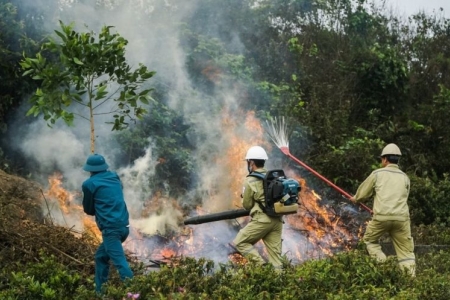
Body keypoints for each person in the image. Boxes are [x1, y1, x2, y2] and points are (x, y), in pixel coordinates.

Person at [350, 143, 416, 276]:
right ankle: (410, 281)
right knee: (406, 253)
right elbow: (403, 198)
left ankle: (384, 266)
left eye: (382, 159)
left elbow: (362, 195)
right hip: (401, 220)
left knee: (369, 241)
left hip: (381, 218)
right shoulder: (405, 178)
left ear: (385, 159)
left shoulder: (377, 174)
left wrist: (355, 199)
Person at [81, 153, 133, 293]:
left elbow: (89, 210)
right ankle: (100, 292)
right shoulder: (115, 177)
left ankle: (135, 292)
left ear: (89, 169)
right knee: (100, 257)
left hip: (111, 230)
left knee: (120, 263)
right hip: (124, 227)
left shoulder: (89, 184)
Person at [231, 146, 283, 269]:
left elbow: (247, 205)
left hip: (262, 220)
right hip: (277, 220)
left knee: (240, 242)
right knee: (276, 258)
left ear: (252, 162)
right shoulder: (273, 177)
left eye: (249, 162)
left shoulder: (251, 180)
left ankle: (261, 267)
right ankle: (280, 282)